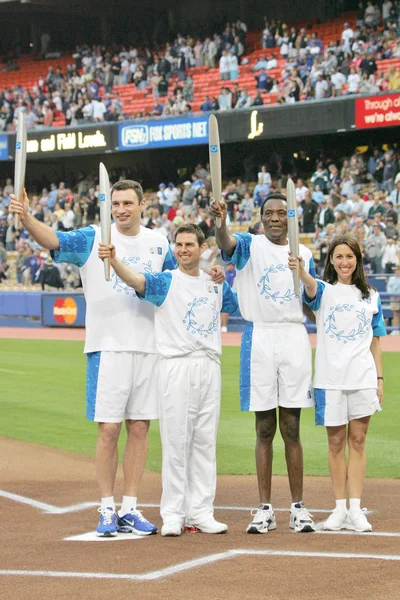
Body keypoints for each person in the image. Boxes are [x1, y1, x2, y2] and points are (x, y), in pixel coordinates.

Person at [98, 224, 239, 537]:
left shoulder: (214, 282)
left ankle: (201, 511)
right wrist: (115, 260)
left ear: (203, 248)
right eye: (179, 244)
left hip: (209, 366)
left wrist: (222, 275)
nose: (184, 249)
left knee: (204, 442)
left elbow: (235, 304)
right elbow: (136, 280)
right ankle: (173, 513)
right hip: (176, 366)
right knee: (176, 441)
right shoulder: (165, 281)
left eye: (190, 244)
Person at [210, 192, 317, 534]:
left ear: (290, 218)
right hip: (259, 338)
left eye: (281, 213)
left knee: (292, 427)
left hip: (293, 337)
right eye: (269, 213)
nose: (274, 218)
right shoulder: (249, 245)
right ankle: (265, 508)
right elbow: (224, 242)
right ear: (261, 217)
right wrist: (220, 222)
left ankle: (298, 508)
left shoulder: (305, 253)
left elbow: (311, 300)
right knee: (264, 428)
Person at [289, 234, 385, 532]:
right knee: (335, 443)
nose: (345, 262)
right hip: (330, 380)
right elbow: (308, 284)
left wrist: (379, 379)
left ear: (358, 260)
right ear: (331, 260)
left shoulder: (371, 296)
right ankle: (339, 509)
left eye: (350, 256)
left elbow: (376, 342)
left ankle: (355, 509)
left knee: (358, 441)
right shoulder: (323, 293)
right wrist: (301, 270)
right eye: (339, 256)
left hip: (363, 378)